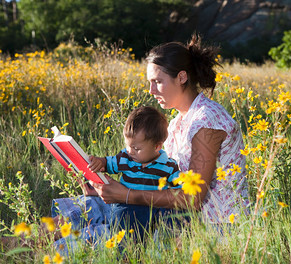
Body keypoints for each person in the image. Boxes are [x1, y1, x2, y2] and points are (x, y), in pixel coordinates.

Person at [86, 34, 249, 225]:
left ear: (181, 77)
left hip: (213, 227)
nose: (151, 90)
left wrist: (128, 195)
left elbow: (192, 199)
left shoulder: (206, 121)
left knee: (85, 234)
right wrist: (103, 187)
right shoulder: (176, 123)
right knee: (75, 213)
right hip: (169, 216)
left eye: (157, 82)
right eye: (150, 82)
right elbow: (158, 177)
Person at [51, 106, 184, 253]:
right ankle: (121, 247)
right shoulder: (126, 158)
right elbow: (109, 163)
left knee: (136, 230)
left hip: (148, 209)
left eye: (136, 148)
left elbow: (180, 187)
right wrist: (99, 162)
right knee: (122, 223)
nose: (130, 151)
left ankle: (130, 253)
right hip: (122, 206)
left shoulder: (168, 166)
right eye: (127, 146)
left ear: (157, 147)